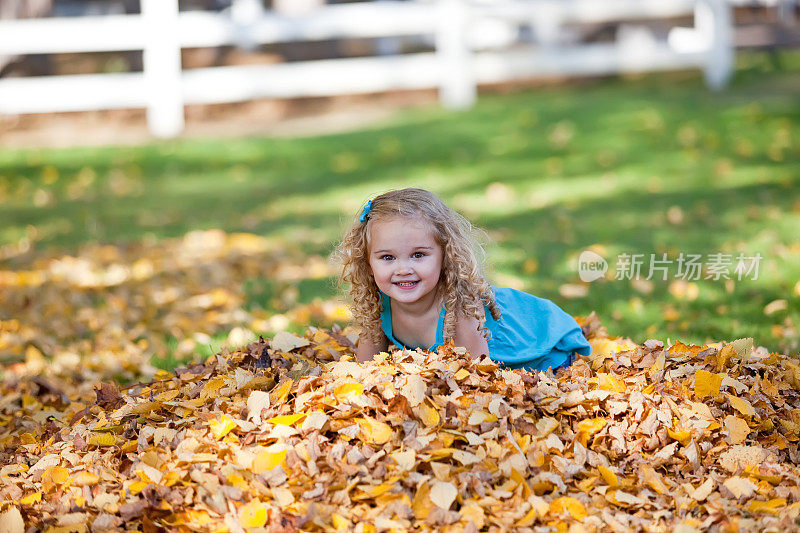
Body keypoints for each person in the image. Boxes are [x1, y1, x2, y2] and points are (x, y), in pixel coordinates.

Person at [333, 188, 591, 372]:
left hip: (543, 354)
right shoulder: (379, 305)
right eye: (387, 258)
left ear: (446, 256)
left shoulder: (459, 306)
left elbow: (480, 378)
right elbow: (364, 371)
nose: (403, 269)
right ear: (368, 264)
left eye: (418, 255)